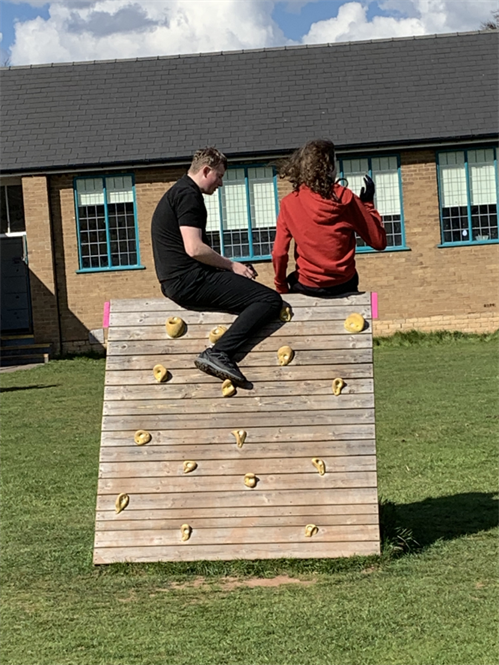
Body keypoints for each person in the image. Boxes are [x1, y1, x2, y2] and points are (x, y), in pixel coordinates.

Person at [151, 147, 282, 386]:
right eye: (219, 176)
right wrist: (232, 266)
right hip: (188, 280)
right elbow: (194, 249)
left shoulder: (178, 192)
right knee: (269, 301)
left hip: (177, 281)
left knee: (249, 299)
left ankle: (221, 352)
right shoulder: (189, 195)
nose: (220, 183)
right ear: (206, 170)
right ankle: (219, 353)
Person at [272, 139, 387, 296]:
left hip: (307, 286)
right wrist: (367, 204)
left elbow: (279, 253)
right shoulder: (347, 199)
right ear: (330, 167)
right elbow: (379, 241)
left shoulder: (289, 203)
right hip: (343, 284)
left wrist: (281, 286)